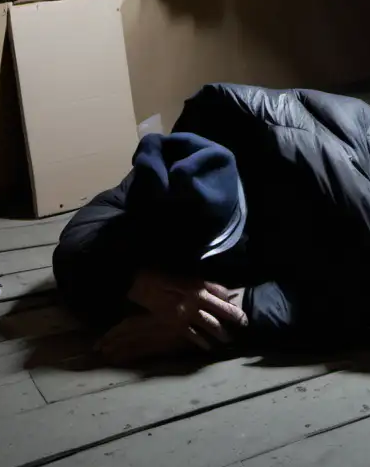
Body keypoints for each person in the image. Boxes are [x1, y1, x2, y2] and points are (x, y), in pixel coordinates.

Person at [53, 132, 264, 364]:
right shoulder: (162, 172)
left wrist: (209, 322)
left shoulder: (284, 186)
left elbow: (305, 297)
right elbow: (77, 241)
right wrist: (131, 278)